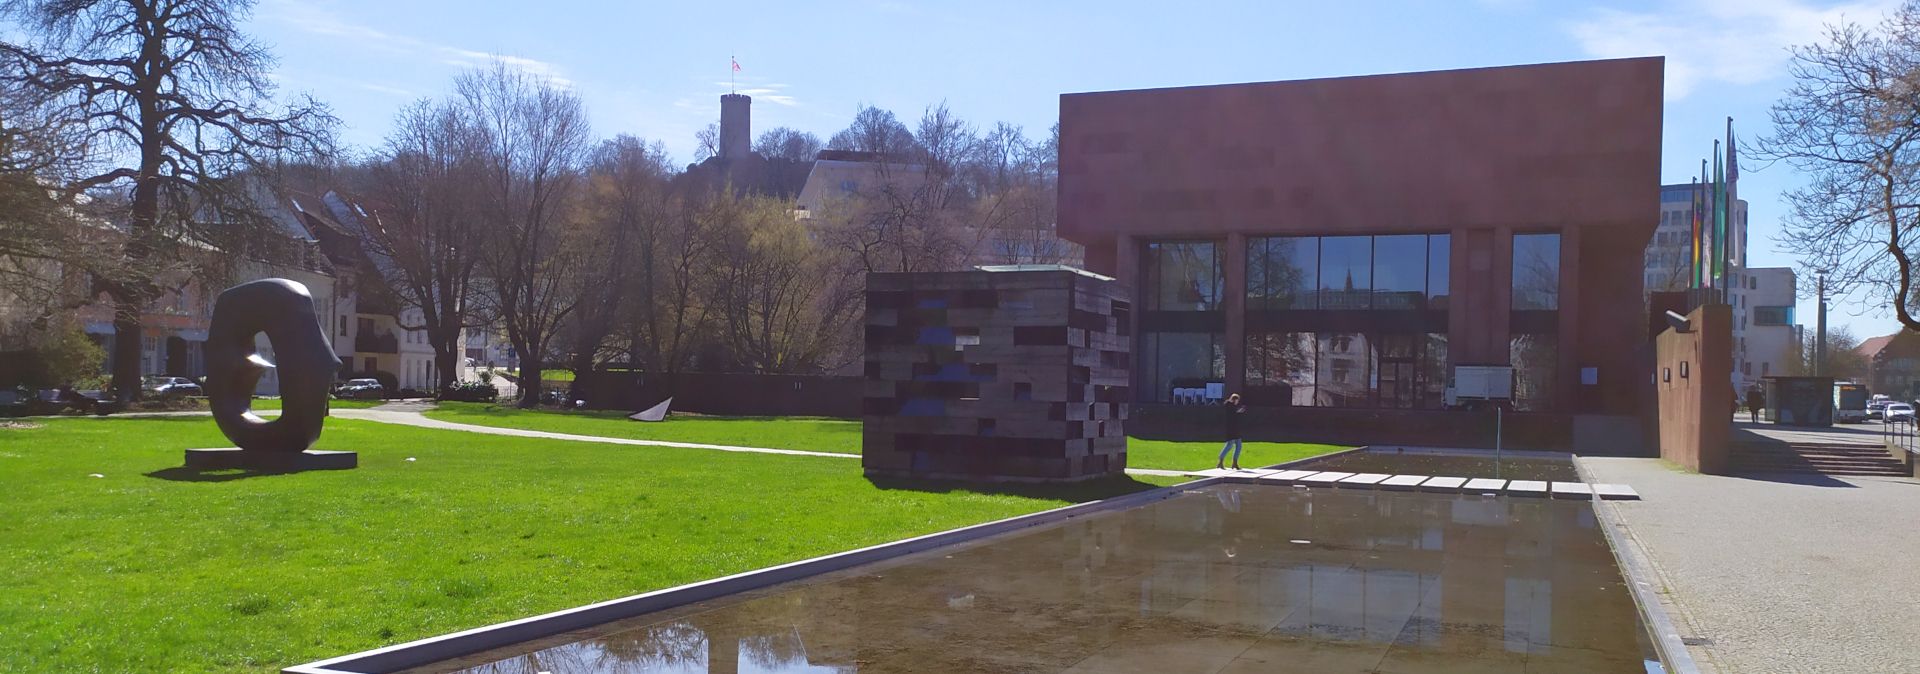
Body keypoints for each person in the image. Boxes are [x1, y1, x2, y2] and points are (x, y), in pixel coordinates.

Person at [1216, 393, 1247, 470]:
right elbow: (1231, 415)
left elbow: (1235, 415)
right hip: (1231, 428)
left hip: (1236, 428)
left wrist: (1239, 412)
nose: (1237, 402)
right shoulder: (1229, 406)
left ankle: (1234, 462)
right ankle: (1220, 461)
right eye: (1237, 400)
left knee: (1239, 446)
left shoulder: (1233, 407)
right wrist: (1238, 411)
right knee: (1229, 445)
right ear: (1234, 399)